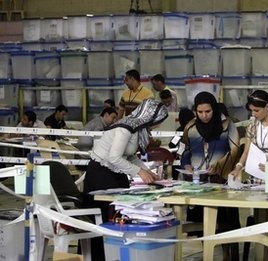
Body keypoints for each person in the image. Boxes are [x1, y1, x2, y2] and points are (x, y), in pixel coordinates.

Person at [83, 99, 168, 261]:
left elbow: (129, 156)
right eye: (158, 122)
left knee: (120, 215)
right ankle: (100, 257)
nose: (157, 126)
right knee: (103, 218)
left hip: (115, 173)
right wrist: (140, 173)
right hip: (101, 175)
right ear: (150, 117)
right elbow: (114, 157)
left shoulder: (137, 129)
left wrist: (148, 171)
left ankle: (117, 255)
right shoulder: (126, 127)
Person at [180, 91, 241, 261]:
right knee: (201, 224)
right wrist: (186, 165)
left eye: (208, 111)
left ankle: (229, 256)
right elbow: (184, 150)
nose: (204, 116)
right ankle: (208, 254)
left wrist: (219, 165)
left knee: (226, 222)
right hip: (197, 184)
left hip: (221, 183)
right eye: (200, 112)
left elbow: (235, 149)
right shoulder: (190, 128)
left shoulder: (227, 125)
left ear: (214, 109)